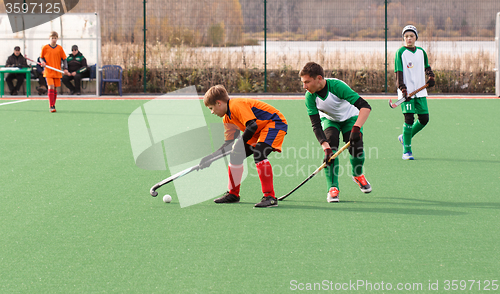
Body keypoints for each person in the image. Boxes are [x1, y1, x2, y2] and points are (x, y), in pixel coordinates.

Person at [199, 85, 288, 208]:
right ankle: (233, 194)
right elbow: (228, 145)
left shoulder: (236, 105)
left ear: (218, 103)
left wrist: (239, 143)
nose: (212, 112)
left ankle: (270, 197)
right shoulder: (227, 118)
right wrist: (210, 158)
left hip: (274, 123)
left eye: (211, 108)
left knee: (259, 153)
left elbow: (252, 126)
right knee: (236, 156)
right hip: (258, 130)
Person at [299, 61, 372, 203]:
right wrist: (325, 148)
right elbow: (316, 125)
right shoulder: (310, 96)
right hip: (329, 120)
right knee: (331, 149)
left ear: (319, 78)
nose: (304, 87)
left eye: (307, 82)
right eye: (303, 82)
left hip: (350, 117)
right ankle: (332, 187)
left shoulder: (337, 86)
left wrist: (356, 128)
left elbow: (365, 107)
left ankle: (357, 174)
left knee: (356, 149)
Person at [395, 25, 435, 160]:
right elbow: (398, 72)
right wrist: (403, 89)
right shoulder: (400, 52)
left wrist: (431, 76)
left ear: (416, 38)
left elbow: (427, 67)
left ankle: (405, 137)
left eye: (411, 36)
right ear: (403, 38)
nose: (409, 39)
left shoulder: (421, 52)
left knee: (424, 119)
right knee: (409, 119)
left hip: (420, 91)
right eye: (406, 36)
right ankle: (407, 150)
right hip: (406, 92)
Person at [40, 31, 69, 112]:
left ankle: (53, 105)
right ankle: (51, 106)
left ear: (57, 39)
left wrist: (65, 68)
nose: (53, 40)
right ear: (49, 38)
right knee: (51, 86)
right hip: (48, 71)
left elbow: (64, 59)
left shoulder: (59, 48)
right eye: (52, 38)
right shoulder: (45, 47)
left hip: (57, 71)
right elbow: (41, 58)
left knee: (55, 89)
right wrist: (43, 62)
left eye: (55, 38)